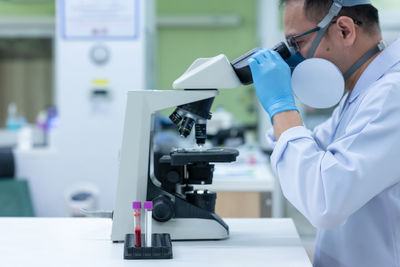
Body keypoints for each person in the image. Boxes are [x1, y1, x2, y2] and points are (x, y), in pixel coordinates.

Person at [248, 0, 400, 266]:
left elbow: (324, 200)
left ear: (344, 31)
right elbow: (313, 152)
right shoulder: (362, 93)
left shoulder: (392, 95)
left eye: (296, 44)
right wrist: (283, 116)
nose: (294, 58)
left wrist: (281, 108)